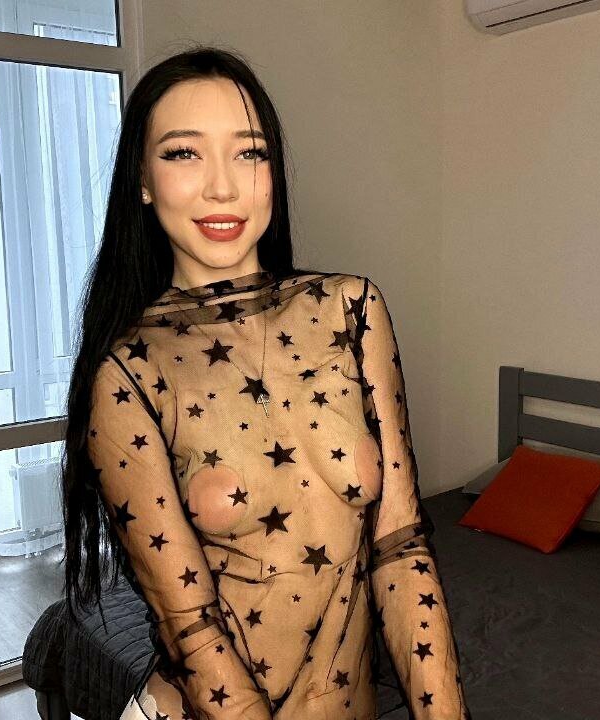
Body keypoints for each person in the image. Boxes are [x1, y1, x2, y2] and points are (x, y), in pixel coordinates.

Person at [60, 45, 469, 720]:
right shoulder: (129, 371)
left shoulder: (352, 310)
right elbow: (190, 629)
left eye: (248, 153)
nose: (222, 187)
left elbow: (401, 547)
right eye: (184, 153)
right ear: (142, 180)